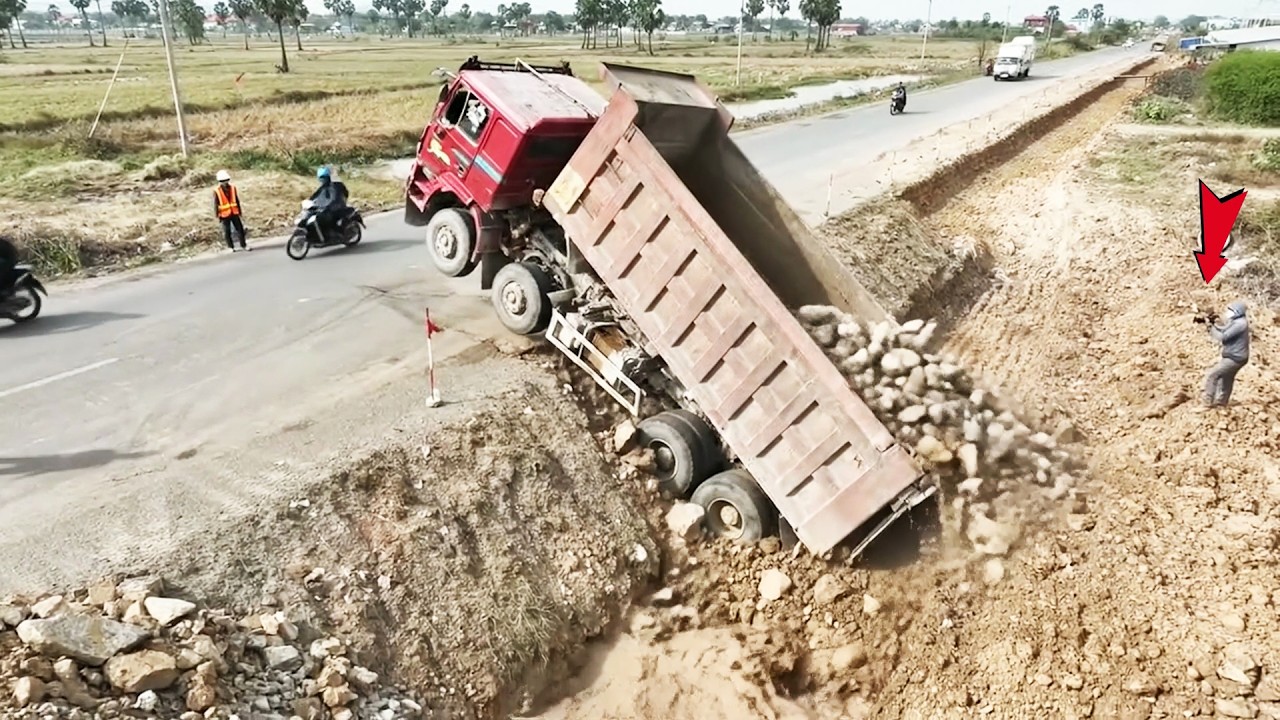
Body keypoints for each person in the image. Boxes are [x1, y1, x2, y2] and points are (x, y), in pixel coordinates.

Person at [1201, 301, 1250, 408]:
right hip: (1236, 356)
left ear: (1237, 312)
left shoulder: (1240, 324)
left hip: (1235, 358)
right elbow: (1224, 329)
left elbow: (1222, 337)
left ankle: (1207, 402)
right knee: (1226, 379)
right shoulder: (1237, 321)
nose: (1228, 312)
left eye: (1230, 310)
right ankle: (1221, 403)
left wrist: (1210, 327)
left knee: (1213, 375)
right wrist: (1213, 323)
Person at [309, 166, 350, 242]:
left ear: (328, 177)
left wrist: (329, 205)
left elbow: (335, 198)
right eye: (321, 178)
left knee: (327, 219)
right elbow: (315, 195)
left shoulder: (335, 186)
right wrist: (309, 202)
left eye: (324, 177)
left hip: (337, 207)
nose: (322, 180)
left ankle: (334, 234)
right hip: (327, 207)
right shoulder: (323, 187)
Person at [213, 170, 250, 252]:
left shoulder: (233, 188)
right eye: (223, 181)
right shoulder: (217, 191)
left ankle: (243, 245)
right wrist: (217, 215)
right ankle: (231, 247)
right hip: (224, 214)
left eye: (226, 180)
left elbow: (237, 200)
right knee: (227, 231)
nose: (225, 182)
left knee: (240, 229)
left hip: (234, 212)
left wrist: (239, 211)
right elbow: (216, 203)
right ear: (219, 181)